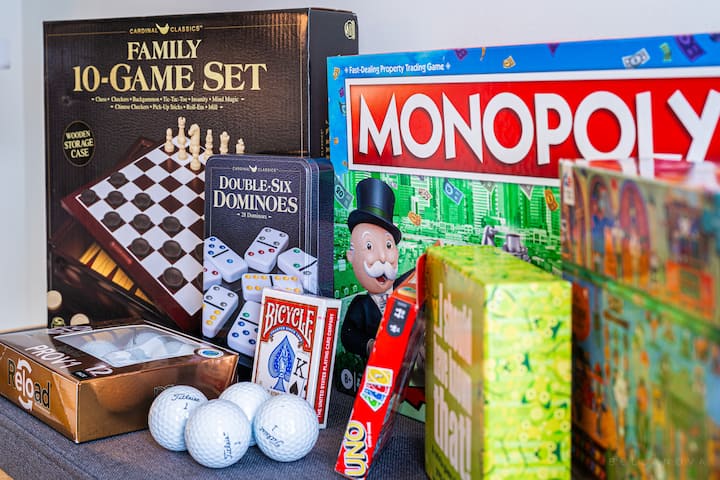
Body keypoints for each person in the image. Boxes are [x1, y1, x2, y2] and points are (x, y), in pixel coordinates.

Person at [341, 177, 410, 357]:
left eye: (388, 246)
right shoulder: (361, 305)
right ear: (351, 256)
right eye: (369, 246)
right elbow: (348, 335)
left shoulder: (406, 287)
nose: (383, 257)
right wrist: (369, 345)